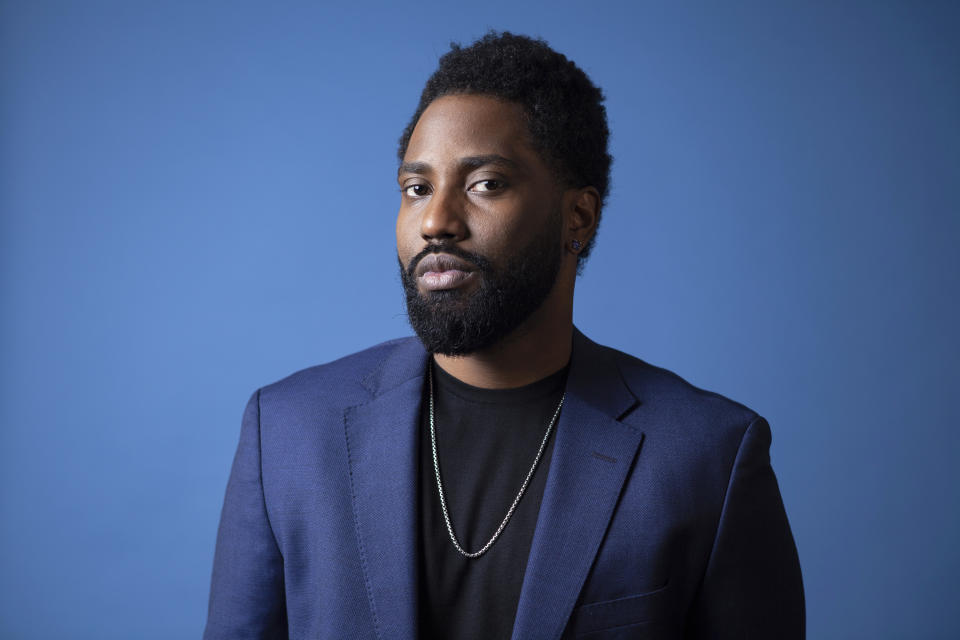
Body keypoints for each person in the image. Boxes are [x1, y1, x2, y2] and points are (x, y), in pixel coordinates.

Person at [203, 31, 804, 640]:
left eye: (485, 183)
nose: (436, 221)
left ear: (579, 216)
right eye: (417, 189)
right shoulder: (285, 432)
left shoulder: (706, 457)